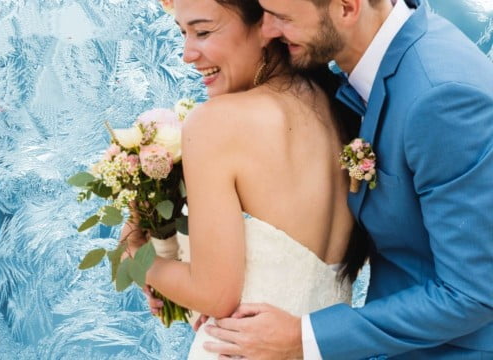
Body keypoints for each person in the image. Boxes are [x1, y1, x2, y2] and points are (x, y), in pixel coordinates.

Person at [202, 0, 493, 359]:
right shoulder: (365, 73)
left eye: (282, 17)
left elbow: (472, 293)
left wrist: (303, 337)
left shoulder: (440, 98)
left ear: (346, 7)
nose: (267, 31)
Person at [120, 0, 367, 358]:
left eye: (203, 32)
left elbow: (215, 295)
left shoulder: (216, 123)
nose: (188, 54)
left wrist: (136, 256)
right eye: (183, 34)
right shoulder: (342, 107)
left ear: (267, 24)